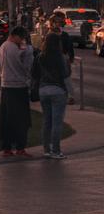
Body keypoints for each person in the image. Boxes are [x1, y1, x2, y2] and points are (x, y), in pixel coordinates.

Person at [0, 26, 35, 157]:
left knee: (6, 118)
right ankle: (20, 147)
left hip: (6, 86)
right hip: (19, 86)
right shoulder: (19, 49)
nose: (22, 40)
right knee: (21, 119)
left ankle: (7, 147)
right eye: (22, 38)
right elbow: (27, 66)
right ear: (16, 36)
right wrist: (29, 49)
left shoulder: (3, 46)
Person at [37, 31, 71, 159]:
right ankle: (56, 150)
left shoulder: (40, 56)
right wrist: (70, 93)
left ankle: (46, 149)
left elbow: (35, 73)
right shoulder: (60, 57)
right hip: (58, 90)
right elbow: (65, 74)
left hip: (43, 90)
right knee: (57, 122)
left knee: (47, 121)